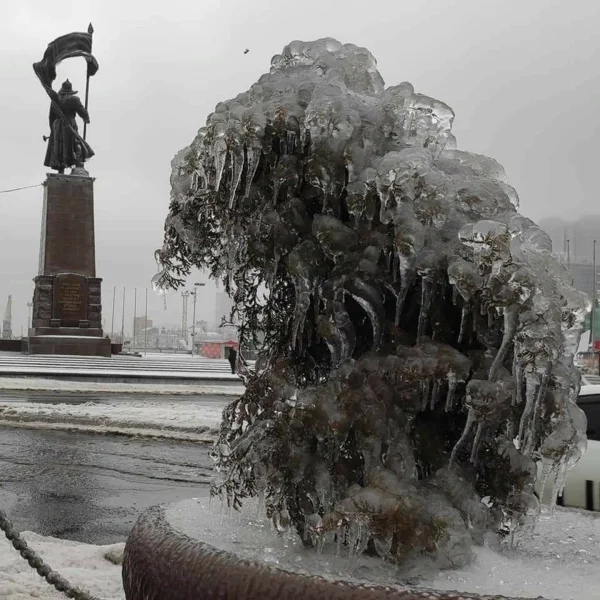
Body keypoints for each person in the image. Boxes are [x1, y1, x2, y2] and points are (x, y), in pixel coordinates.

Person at [44, 79, 90, 173]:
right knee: (75, 144)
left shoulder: (54, 101)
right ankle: (78, 166)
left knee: (59, 148)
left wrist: (53, 129)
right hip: (69, 123)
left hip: (56, 126)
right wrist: (86, 118)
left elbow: (50, 117)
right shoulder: (73, 99)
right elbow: (82, 111)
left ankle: (60, 170)